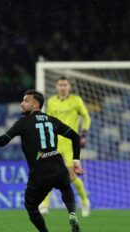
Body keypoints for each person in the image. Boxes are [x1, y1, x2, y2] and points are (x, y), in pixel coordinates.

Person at [0, 90, 83, 232]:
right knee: (65, 187)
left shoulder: (23, 123)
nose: (22, 104)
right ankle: (72, 214)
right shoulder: (52, 120)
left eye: (26, 101)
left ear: (36, 104)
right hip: (58, 167)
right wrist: (76, 161)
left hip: (40, 173)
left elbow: (3, 142)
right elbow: (75, 137)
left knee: (31, 206)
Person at [40, 77, 91, 217]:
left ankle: (85, 201)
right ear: (56, 87)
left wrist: (84, 134)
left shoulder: (76, 100)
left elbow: (86, 117)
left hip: (70, 144)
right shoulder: (51, 102)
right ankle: (44, 204)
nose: (63, 87)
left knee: (72, 176)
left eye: (65, 85)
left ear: (69, 87)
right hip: (55, 143)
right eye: (60, 85)